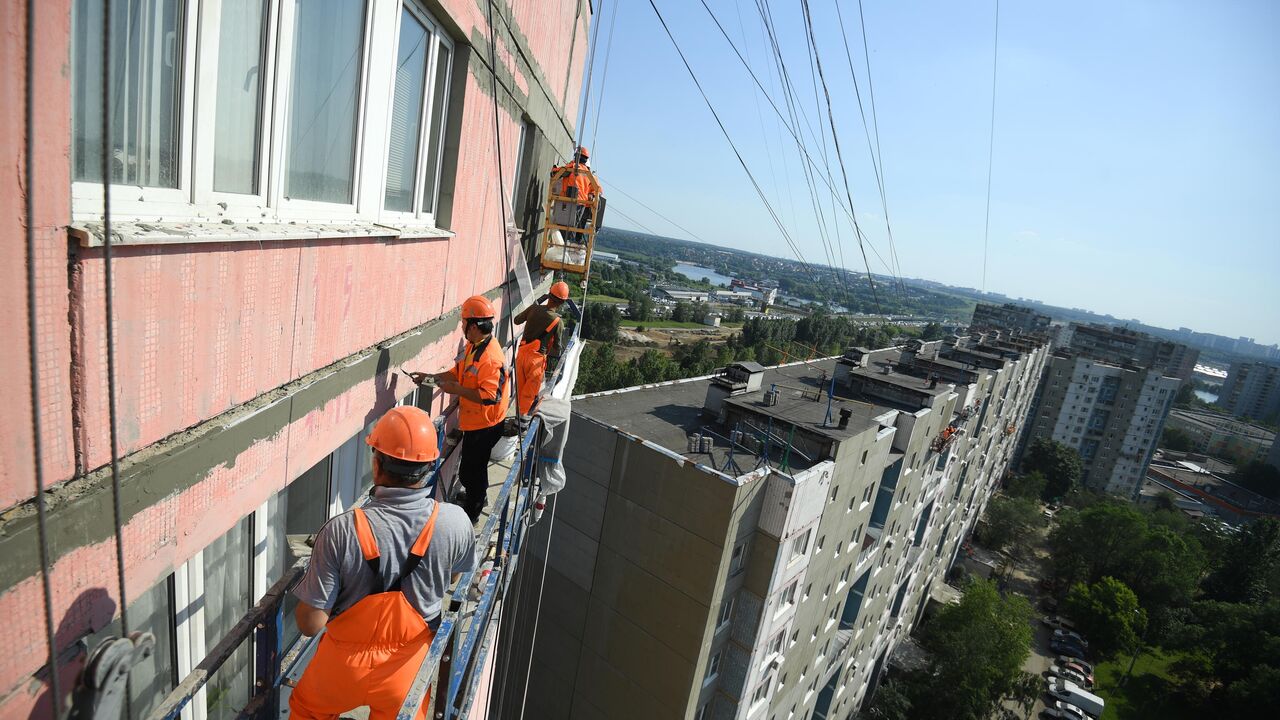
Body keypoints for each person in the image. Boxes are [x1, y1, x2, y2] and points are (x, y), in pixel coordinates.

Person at [288, 406, 477, 720]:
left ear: (376, 466)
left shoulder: (341, 530)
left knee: (307, 711)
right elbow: (454, 580)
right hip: (408, 667)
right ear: (431, 467)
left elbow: (310, 625)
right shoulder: (455, 522)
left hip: (342, 669)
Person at [433, 295, 510, 522]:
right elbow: (458, 372)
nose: (462, 327)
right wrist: (433, 378)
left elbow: (490, 397)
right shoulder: (475, 346)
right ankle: (477, 496)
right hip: (477, 422)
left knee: (471, 472)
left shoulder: (490, 358)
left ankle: (472, 513)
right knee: (474, 469)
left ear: (474, 326)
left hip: (486, 425)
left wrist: (457, 389)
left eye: (464, 322)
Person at [513, 281, 576, 416]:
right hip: (536, 361)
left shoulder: (533, 309)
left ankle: (517, 419)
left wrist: (534, 306)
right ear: (562, 303)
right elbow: (556, 348)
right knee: (529, 395)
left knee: (519, 391)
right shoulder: (557, 322)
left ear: (549, 295)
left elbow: (517, 320)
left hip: (521, 355)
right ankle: (521, 425)